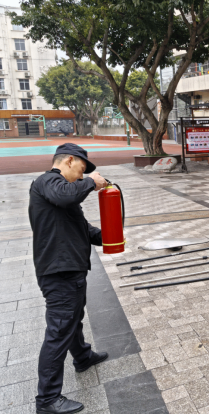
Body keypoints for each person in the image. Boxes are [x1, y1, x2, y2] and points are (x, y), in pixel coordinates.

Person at [29, 143, 109, 414]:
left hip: (70, 270)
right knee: (60, 330)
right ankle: (48, 399)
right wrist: (91, 182)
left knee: (72, 318)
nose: (82, 175)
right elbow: (66, 195)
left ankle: (82, 357)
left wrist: (110, 236)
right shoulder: (48, 182)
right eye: (82, 170)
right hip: (59, 272)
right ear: (70, 161)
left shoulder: (62, 194)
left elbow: (82, 228)